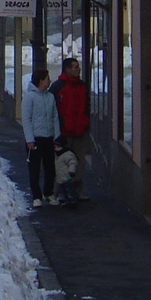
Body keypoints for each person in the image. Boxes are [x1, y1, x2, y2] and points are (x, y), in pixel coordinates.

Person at [49, 55, 91, 200]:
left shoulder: (82, 86)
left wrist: (86, 123)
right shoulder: (57, 87)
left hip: (79, 130)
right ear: (67, 69)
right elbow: (52, 110)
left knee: (79, 163)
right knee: (62, 163)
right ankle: (63, 191)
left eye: (78, 66)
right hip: (64, 133)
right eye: (75, 67)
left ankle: (77, 190)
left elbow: (87, 106)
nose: (79, 69)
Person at [22, 68, 60, 207]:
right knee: (35, 168)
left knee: (50, 167)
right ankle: (36, 195)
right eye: (47, 78)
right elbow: (26, 119)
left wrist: (57, 136)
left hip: (48, 137)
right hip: (36, 138)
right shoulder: (30, 97)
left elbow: (55, 117)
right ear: (41, 81)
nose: (49, 81)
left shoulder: (50, 97)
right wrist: (29, 139)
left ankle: (49, 192)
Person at [53, 136, 79, 207]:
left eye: (58, 147)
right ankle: (66, 200)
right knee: (63, 190)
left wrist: (71, 171)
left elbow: (73, 163)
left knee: (69, 189)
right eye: (55, 147)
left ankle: (73, 201)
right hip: (60, 177)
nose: (56, 149)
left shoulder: (68, 154)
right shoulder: (57, 155)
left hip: (67, 176)